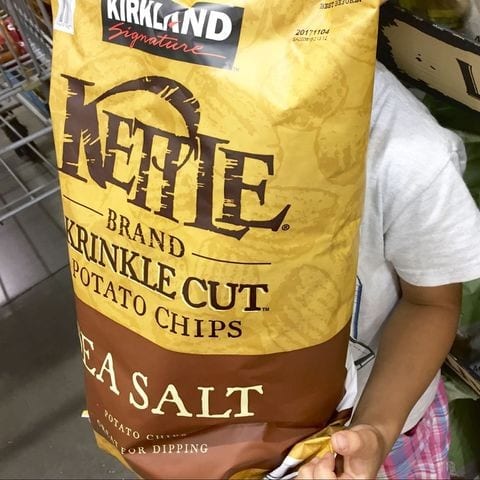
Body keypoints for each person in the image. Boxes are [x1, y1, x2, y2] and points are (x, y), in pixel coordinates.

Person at [298, 62, 480, 479]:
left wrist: (376, 430)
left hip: (372, 426)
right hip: (208, 431)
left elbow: (430, 303)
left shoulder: (407, 154)